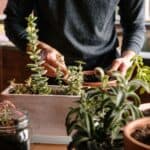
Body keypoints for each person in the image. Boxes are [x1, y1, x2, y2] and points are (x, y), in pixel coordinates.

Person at [4, 0, 145, 77]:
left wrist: (127, 58)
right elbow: (13, 22)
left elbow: (136, 26)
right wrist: (38, 48)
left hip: (105, 75)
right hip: (50, 75)